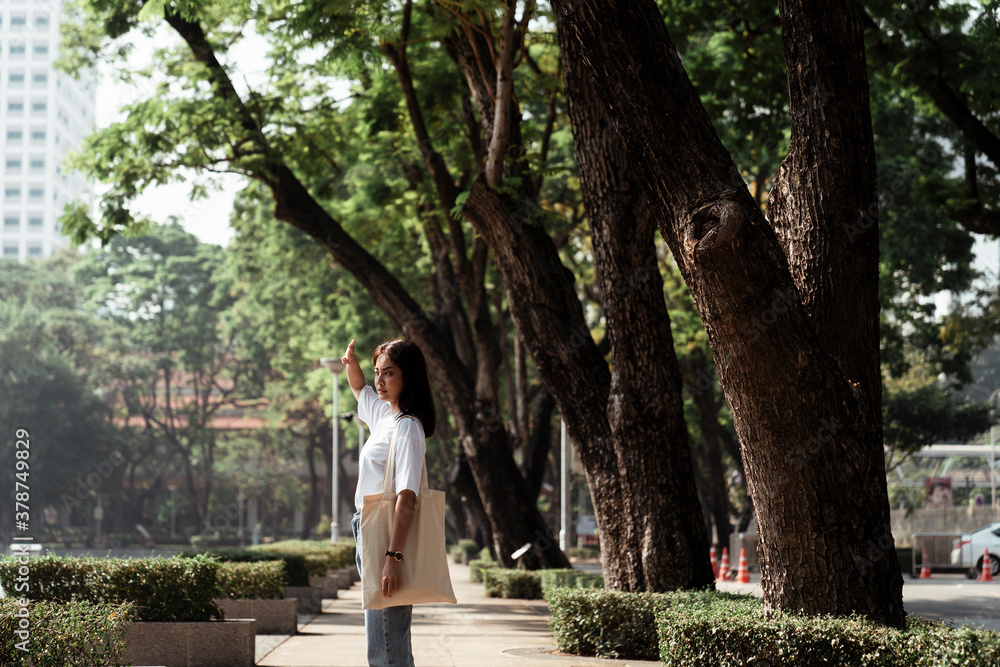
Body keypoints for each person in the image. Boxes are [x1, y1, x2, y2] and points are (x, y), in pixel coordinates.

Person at [342, 337, 436, 667]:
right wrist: (352, 364)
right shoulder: (384, 414)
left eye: (389, 373)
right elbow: (359, 388)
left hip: (386, 536)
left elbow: (406, 497)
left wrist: (393, 556)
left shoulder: (407, 427)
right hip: (368, 529)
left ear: (408, 377)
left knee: (386, 644)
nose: (379, 381)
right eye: (377, 372)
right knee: (383, 638)